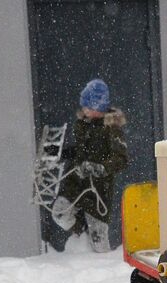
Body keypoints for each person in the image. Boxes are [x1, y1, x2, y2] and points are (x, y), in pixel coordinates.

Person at [49, 78, 128, 253]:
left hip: (98, 190)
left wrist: (100, 167)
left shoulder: (112, 129)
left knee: (98, 239)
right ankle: (81, 235)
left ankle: (102, 266)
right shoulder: (83, 125)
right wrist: (62, 152)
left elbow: (121, 158)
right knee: (60, 212)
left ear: (98, 106)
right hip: (76, 183)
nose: (84, 109)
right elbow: (80, 151)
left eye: (88, 106)